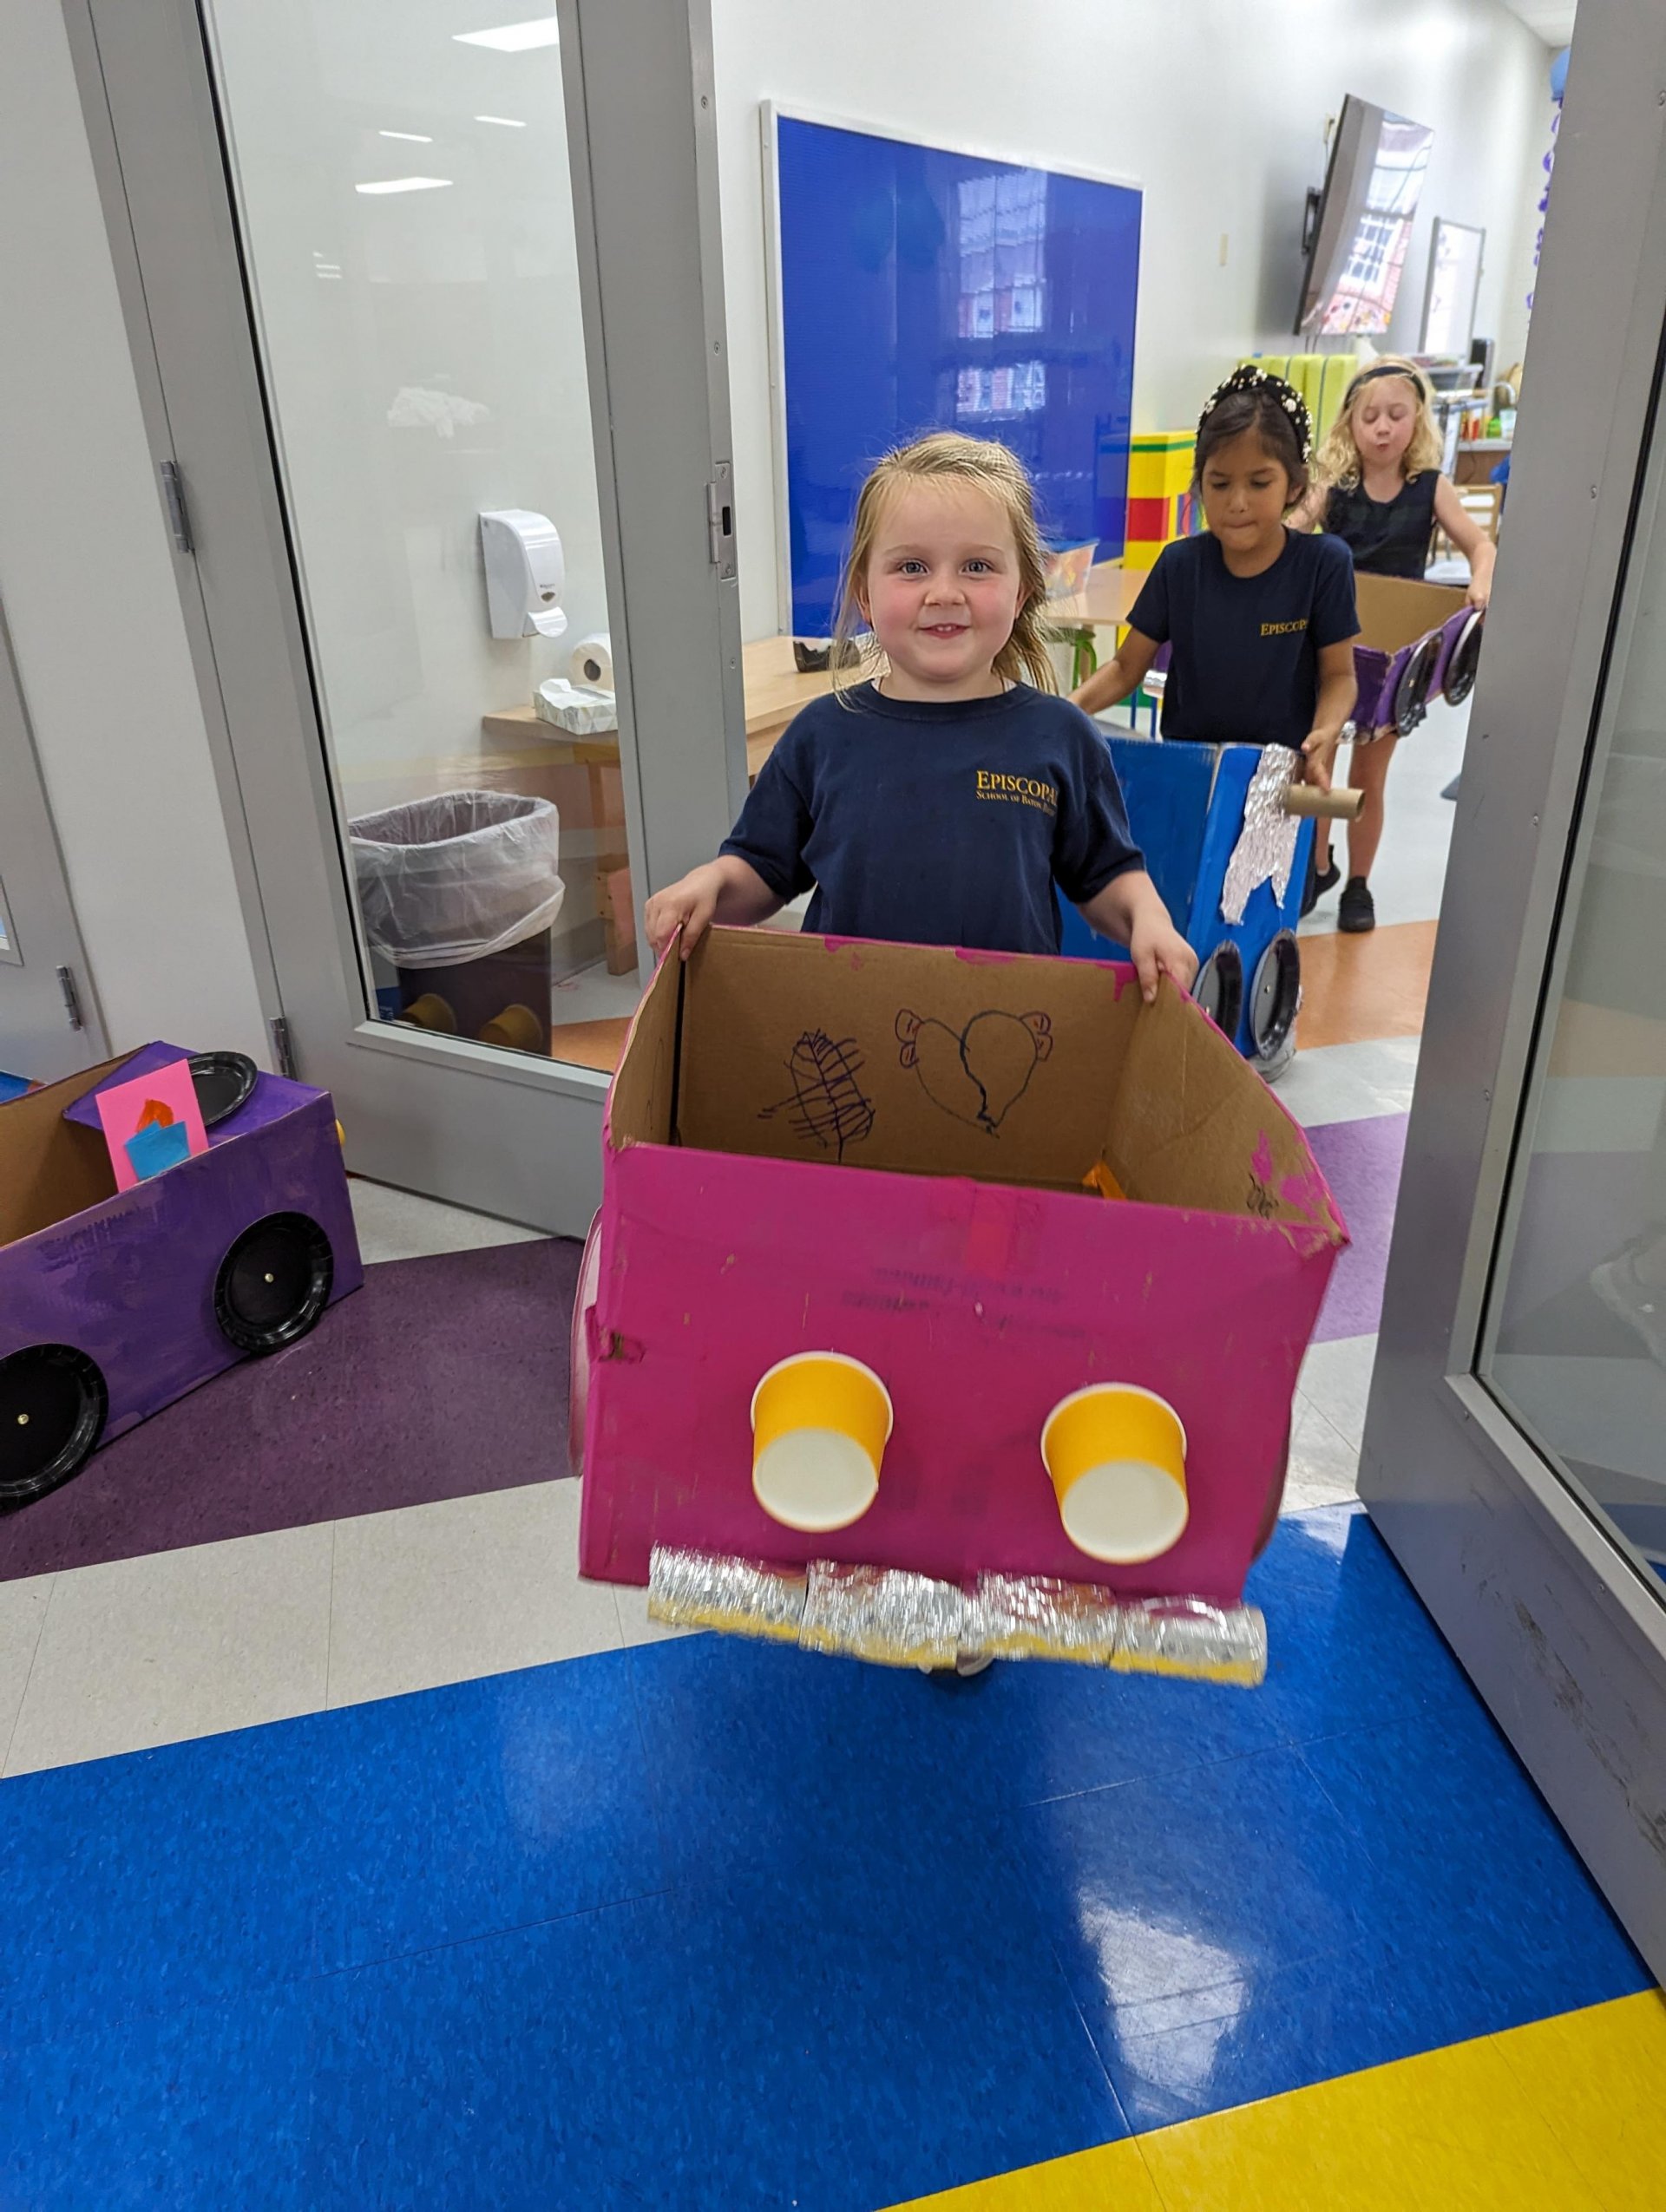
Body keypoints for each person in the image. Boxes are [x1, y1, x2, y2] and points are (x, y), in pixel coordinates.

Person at [646, 431, 1196, 1005]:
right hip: (843, 1041)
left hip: (1006, 1039)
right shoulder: (822, 735)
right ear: (864, 592)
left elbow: (1105, 874)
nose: (944, 592)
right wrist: (709, 883)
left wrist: (1148, 920)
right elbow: (761, 869)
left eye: (977, 566)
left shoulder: (1062, 738)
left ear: (1022, 590)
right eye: (911, 566)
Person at [1070, 368, 1359, 825]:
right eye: (1220, 483)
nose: (1237, 501)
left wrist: (1325, 732)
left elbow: (1340, 676)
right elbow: (1126, 668)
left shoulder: (1322, 565)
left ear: (1296, 486)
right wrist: (1069, 711)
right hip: (1189, 780)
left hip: (1280, 782)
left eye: (1259, 483)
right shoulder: (1180, 566)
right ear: (1200, 485)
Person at [1293, 356, 1495, 932]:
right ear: (1350, 425)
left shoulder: (1431, 489)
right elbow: (1291, 531)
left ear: (1417, 422)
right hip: (1333, 647)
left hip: (1392, 662)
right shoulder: (1335, 486)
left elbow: (1482, 547)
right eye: (1370, 417)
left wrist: (1480, 583)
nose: (1382, 428)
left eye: (1396, 416)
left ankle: (1359, 883)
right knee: (1318, 762)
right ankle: (1317, 865)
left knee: (1370, 776)